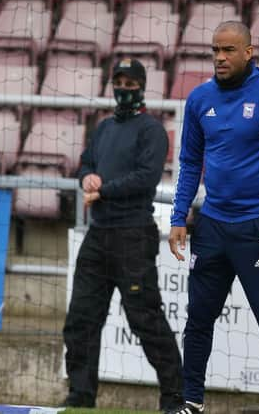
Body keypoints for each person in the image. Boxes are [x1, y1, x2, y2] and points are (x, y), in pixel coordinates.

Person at [168, 21, 259, 414]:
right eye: (215, 50)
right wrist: (180, 216)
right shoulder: (199, 100)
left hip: (258, 227)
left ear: (249, 52)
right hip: (211, 225)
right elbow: (190, 161)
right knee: (198, 318)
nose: (219, 58)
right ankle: (191, 400)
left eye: (228, 50)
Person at [62, 58, 184, 413]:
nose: (124, 89)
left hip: (133, 235)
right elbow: (85, 162)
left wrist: (105, 190)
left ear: (143, 87)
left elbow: (146, 178)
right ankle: (80, 397)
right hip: (98, 235)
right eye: (120, 82)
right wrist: (86, 178)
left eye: (131, 83)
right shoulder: (103, 128)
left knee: (145, 319)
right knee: (81, 319)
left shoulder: (152, 131)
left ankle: (176, 397)